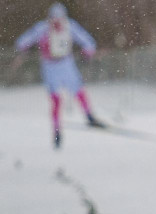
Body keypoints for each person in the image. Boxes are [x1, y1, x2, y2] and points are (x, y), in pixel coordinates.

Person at [14, 3, 102, 148]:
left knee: (63, 96)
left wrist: (23, 49)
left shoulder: (43, 27)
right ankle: (85, 118)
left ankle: (60, 128)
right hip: (60, 64)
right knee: (72, 92)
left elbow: (23, 41)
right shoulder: (66, 26)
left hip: (55, 64)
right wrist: (88, 51)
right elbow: (87, 41)